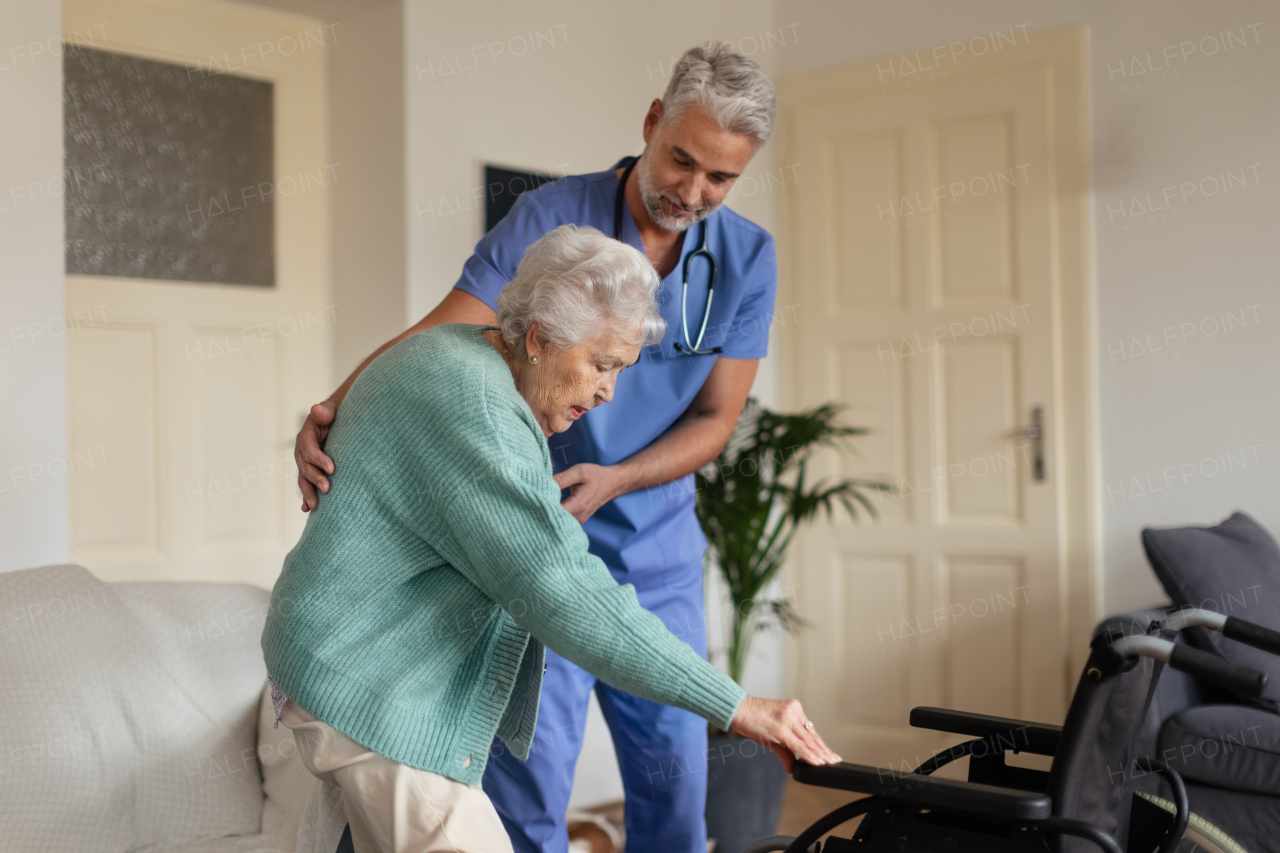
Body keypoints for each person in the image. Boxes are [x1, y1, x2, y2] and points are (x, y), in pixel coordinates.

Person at [294, 43, 784, 852]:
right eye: (681, 160)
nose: (692, 193)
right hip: (534, 533)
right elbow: (443, 333)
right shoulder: (552, 215)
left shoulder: (747, 258)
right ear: (652, 122)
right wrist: (332, 406)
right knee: (527, 790)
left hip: (654, 545)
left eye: (721, 179)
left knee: (675, 791)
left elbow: (716, 420)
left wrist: (621, 476)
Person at [262, 225, 837, 853]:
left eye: (620, 369)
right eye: (601, 364)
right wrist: (736, 705)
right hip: (366, 682)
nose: (607, 391)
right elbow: (558, 587)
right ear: (538, 338)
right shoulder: (473, 402)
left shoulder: (463, 358)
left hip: (342, 664)